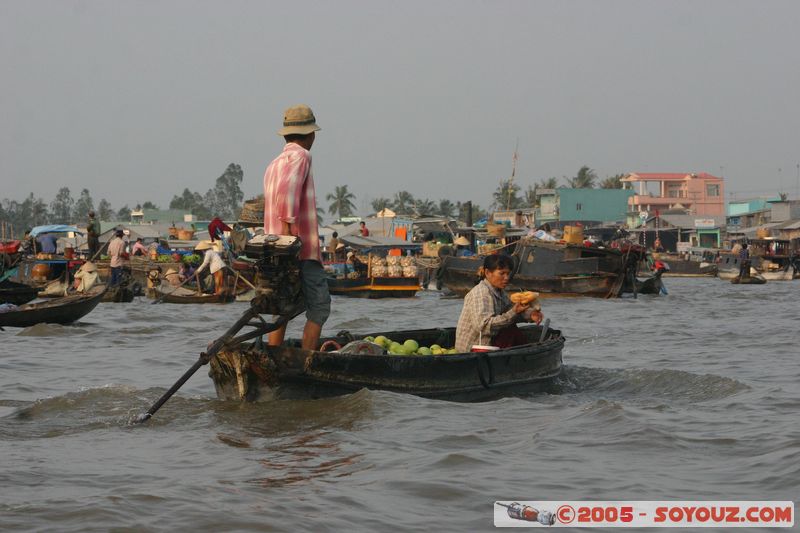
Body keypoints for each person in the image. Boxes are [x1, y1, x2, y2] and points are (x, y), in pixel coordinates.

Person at [263, 104, 330, 350]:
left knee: (283, 306)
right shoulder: (302, 156)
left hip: (277, 252)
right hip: (300, 249)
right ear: (310, 134)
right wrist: (289, 230)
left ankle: (273, 354)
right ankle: (307, 361)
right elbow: (287, 192)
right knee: (320, 306)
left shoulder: (274, 163)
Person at [455, 254, 543, 353]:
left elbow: (512, 311)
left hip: (489, 345)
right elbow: (484, 327)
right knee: (509, 328)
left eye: (508, 274)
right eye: (502, 273)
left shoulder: (500, 292)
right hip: (472, 350)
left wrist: (531, 314)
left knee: (511, 327)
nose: (506, 278)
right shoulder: (481, 293)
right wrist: (514, 312)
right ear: (488, 273)